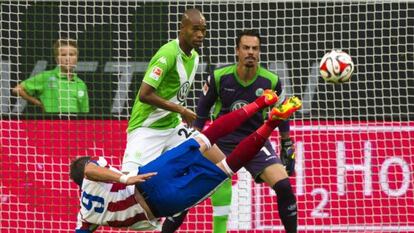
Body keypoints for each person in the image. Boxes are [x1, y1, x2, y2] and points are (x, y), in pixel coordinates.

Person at [70, 91, 302, 232]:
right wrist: (124, 177)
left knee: (226, 166)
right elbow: (90, 169)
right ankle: (261, 103)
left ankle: (270, 121)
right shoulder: (91, 177)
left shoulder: (85, 216)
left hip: (161, 201)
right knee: (205, 138)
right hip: (148, 179)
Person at [193, 30, 298, 233]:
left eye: (255, 49)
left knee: (284, 186)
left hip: (255, 142)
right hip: (220, 143)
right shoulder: (219, 77)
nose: (250, 52)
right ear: (237, 51)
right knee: (188, 194)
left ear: (259, 53)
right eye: (246, 48)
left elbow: (282, 112)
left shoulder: (271, 81)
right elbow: (201, 112)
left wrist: (287, 144)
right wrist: (192, 142)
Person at [121, 9, 211, 232]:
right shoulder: (168, 54)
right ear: (182, 29)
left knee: (213, 157)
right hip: (146, 128)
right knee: (127, 189)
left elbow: (173, 92)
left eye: (203, 30)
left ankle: (170, 219)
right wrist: (181, 109)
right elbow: (145, 94)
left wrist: (178, 114)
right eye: (195, 29)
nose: (200, 34)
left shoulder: (196, 57)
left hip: (172, 127)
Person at [12, 38, 89, 113]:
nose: (67, 59)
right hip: (51, 124)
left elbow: (85, 116)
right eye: (63, 55)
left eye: (71, 55)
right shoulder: (46, 77)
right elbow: (17, 90)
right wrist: (39, 103)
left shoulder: (81, 84)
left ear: (77, 58)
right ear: (56, 59)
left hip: (73, 125)